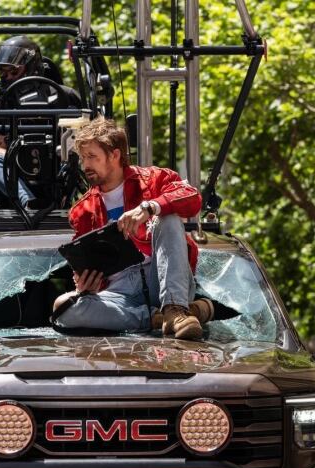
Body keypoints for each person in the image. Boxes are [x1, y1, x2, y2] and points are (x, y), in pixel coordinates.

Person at [52, 116, 214, 340]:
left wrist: (150, 207)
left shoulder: (155, 179)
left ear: (115, 155)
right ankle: (158, 318)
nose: (85, 165)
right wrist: (86, 285)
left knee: (167, 219)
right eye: (83, 158)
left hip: (162, 279)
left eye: (92, 157)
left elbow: (193, 198)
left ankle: (175, 309)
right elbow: (91, 268)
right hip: (119, 293)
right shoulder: (82, 210)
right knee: (63, 307)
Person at [0, 35, 81, 208]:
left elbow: (87, 137)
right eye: (2, 72)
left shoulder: (64, 96)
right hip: (16, 172)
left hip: (59, 166)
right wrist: (18, 154)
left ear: (31, 67)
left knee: (87, 155)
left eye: (13, 72)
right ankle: (27, 201)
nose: (6, 77)